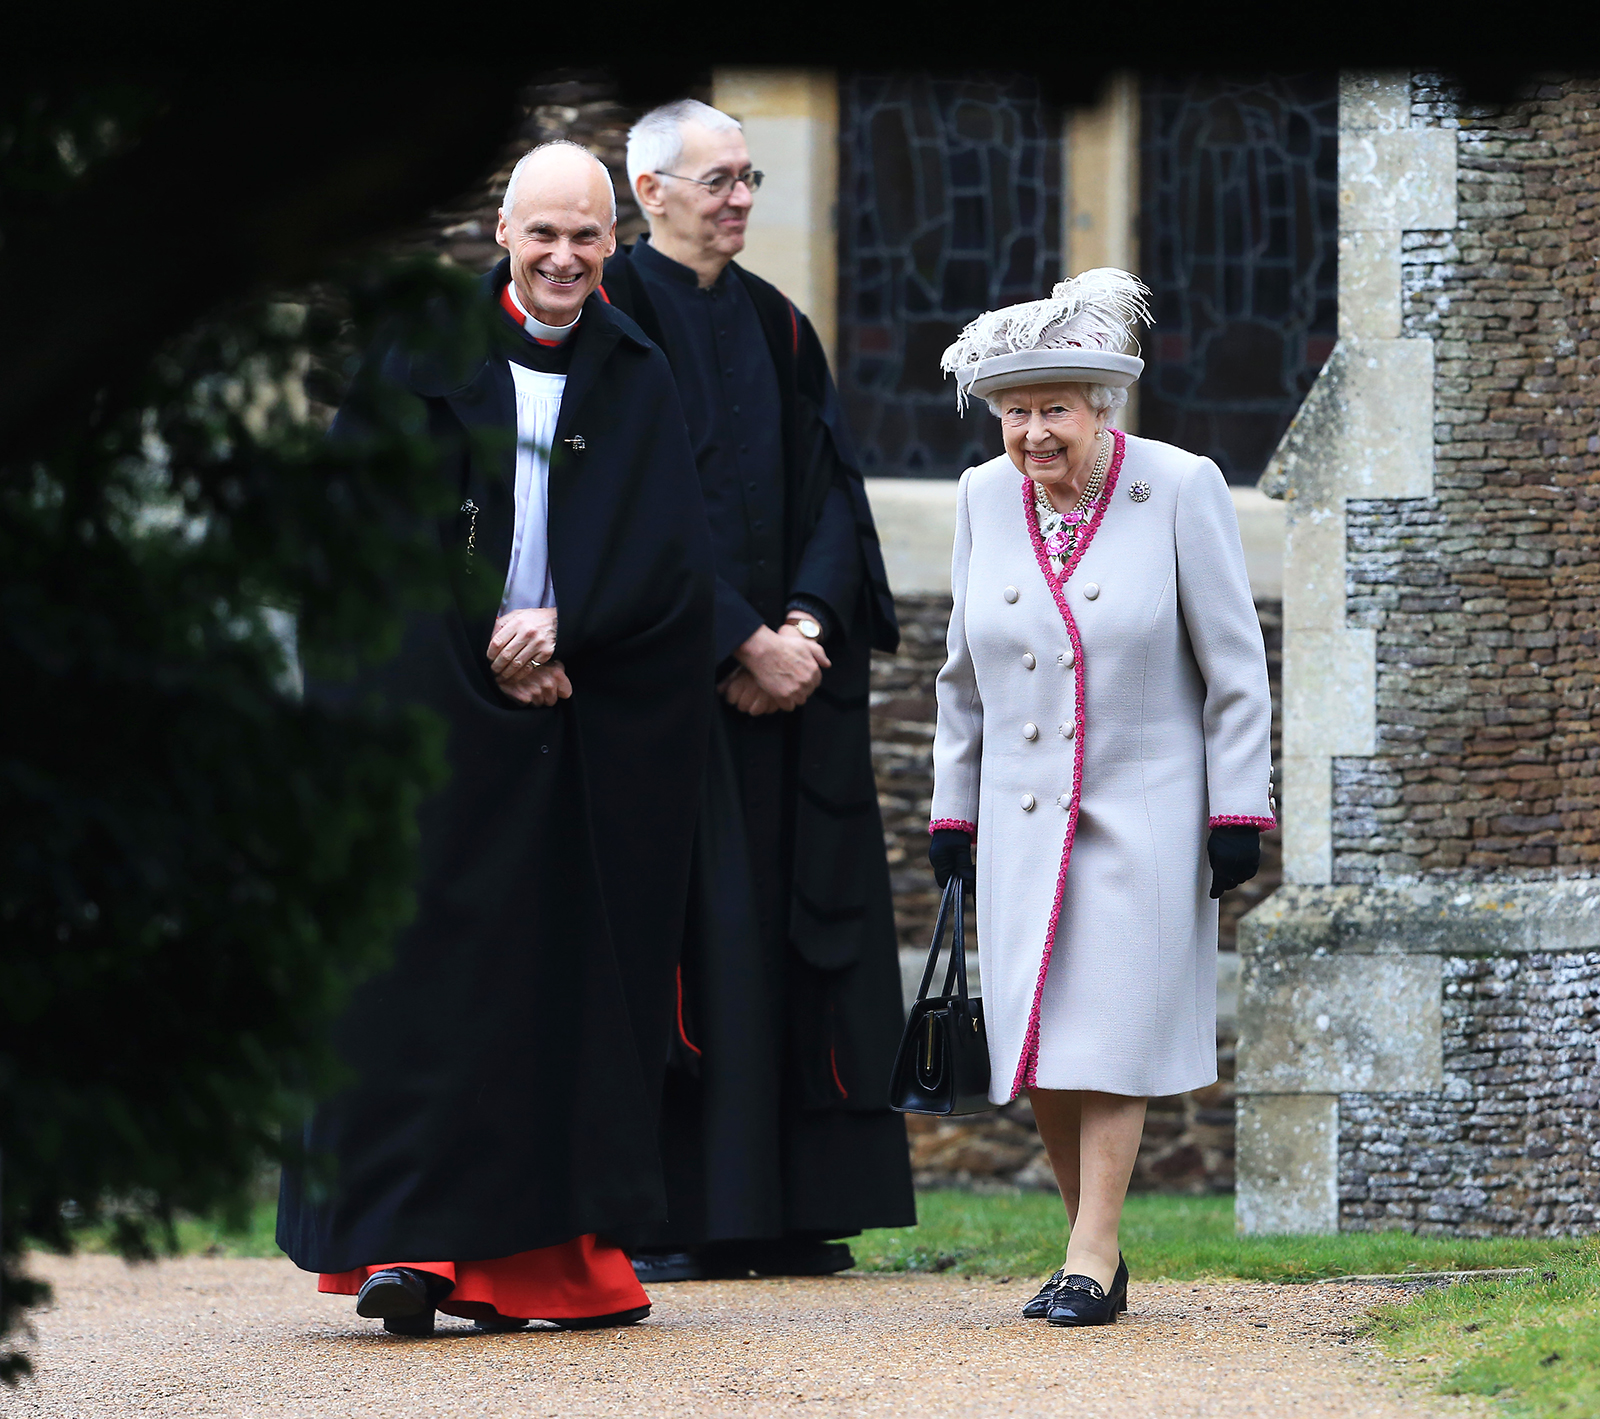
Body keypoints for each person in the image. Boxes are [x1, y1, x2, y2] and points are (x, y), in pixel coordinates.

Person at [276, 142, 715, 1335]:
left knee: (555, 995)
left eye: (586, 235)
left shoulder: (639, 372)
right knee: (421, 987)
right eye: (543, 235)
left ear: (613, 242)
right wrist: (481, 649)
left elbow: (676, 567)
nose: (563, 256)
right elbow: (360, 554)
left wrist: (574, 631)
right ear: (503, 235)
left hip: (581, 728)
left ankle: (541, 1261)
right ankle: (407, 1250)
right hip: (430, 716)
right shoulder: (414, 360)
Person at [599, 99, 915, 1280]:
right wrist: (737, 637)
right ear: (651, 190)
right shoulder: (610, 318)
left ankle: (790, 1208)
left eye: (749, 177)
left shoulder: (782, 328)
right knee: (696, 941)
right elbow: (624, 508)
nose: (739, 197)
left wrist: (808, 627)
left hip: (788, 703)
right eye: (717, 179)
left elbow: (836, 489)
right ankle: (678, 1215)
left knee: (798, 936)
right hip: (671, 701)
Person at [926, 269, 1274, 1326]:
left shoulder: (1178, 484)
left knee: (1109, 1026)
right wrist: (953, 809)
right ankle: (1095, 1253)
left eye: (1053, 410)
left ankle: (1089, 1250)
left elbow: (1233, 663)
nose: (1032, 433)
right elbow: (958, 673)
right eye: (1013, 413)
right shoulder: (984, 497)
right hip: (1024, 816)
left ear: (1100, 405)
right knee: (1039, 1039)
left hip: (1146, 810)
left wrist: (1236, 812)